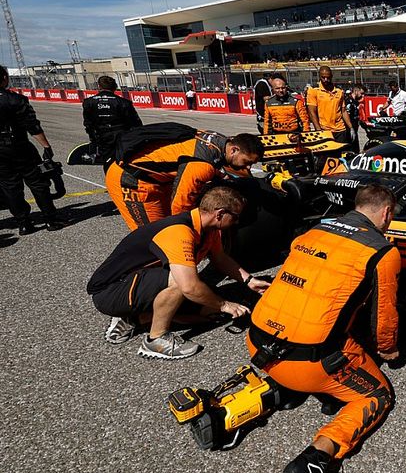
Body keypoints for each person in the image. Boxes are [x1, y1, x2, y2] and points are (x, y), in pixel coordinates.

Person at [246, 185, 401, 473]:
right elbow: (383, 316)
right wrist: (388, 351)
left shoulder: (316, 228)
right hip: (310, 364)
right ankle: (318, 457)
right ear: (387, 213)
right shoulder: (381, 250)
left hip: (258, 343)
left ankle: (251, 401)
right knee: (376, 396)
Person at [87, 186, 269, 358]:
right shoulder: (179, 231)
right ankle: (155, 340)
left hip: (141, 281)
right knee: (182, 282)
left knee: (209, 314)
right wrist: (224, 304)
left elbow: (220, 259)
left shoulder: (209, 229)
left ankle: (137, 317)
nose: (237, 222)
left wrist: (249, 281)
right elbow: (189, 286)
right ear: (220, 214)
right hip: (110, 292)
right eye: (236, 217)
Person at [105, 126, 263, 230]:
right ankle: (152, 277)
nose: (248, 167)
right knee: (156, 235)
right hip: (131, 180)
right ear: (234, 149)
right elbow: (180, 206)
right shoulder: (201, 165)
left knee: (167, 226)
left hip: (159, 179)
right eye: (247, 162)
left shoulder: (220, 141)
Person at [0, 65, 65, 234]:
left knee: (10, 187)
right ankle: (50, 219)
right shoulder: (16, 99)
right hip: (20, 147)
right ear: (5, 79)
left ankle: (24, 223)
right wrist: (46, 146)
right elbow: (33, 126)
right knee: (38, 183)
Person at [81, 75, 143, 167]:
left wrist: (93, 140)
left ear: (99, 86)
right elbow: (136, 124)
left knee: (108, 164)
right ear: (115, 87)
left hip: (102, 138)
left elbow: (88, 124)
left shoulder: (88, 102)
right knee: (125, 162)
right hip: (122, 139)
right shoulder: (124, 102)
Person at [307, 66, 353, 143]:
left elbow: (343, 111)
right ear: (319, 76)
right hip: (324, 130)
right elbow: (312, 113)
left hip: (340, 129)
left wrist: (351, 127)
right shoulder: (313, 90)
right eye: (323, 77)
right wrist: (318, 131)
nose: (326, 80)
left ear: (331, 76)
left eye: (328, 77)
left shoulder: (339, 91)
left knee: (341, 154)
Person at [344, 84, 367, 152]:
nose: (363, 96)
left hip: (355, 127)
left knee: (356, 149)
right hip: (349, 129)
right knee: (350, 149)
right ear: (356, 91)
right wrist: (350, 128)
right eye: (362, 93)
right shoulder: (348, 101)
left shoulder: (356, 101)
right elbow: (346, 115)